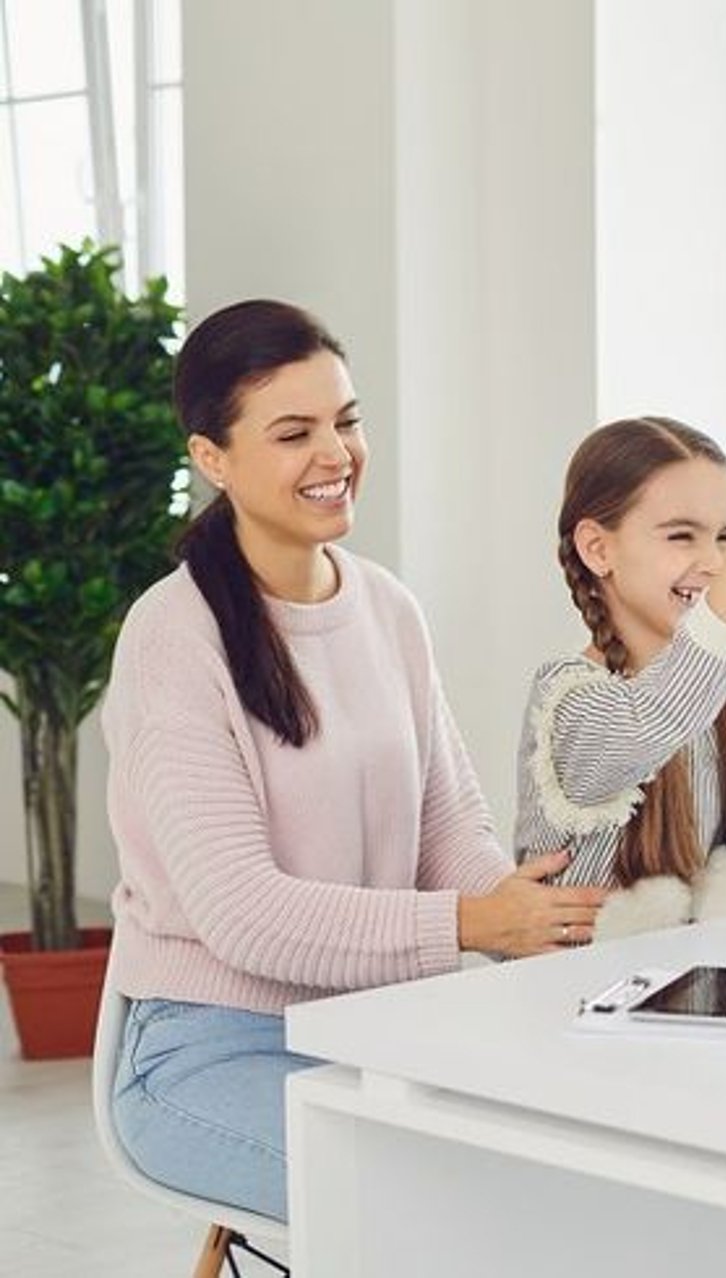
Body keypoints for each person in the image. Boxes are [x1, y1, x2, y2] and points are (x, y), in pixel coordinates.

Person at [102, 300, 608, 1224]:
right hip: (213, 1051)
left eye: (347, 420)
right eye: (295, 433)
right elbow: (244, 918)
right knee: (474, 1219)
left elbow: (448, 829)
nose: (336, 454)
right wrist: (471, 923)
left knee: (647, 1185)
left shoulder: (386, 608)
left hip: (388, 1032)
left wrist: (530, 911)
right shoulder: (172, 637)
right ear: (212, 458)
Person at [515, 365, 726, 937]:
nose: (714, 561)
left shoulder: (724, 714)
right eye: (682, 535)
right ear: (597, 549)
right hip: (565, 1010)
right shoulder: (569, 703)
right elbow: (652, 722)